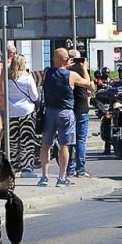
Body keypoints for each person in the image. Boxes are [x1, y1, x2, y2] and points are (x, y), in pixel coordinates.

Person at [38, 47, 92, 187]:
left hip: (49, 112)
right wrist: (83, 67)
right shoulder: (71, 75)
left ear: (53, 59)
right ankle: (61, 178)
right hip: (66, 113)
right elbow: (87, 83)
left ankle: (44, 176)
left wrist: (63, 64)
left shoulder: (47, 72)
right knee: (64, 145)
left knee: (46, 145)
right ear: (67, 59)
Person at [4, 52, 41, 175]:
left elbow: (5, 95)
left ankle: (13, 167)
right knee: (27, 140)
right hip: (27, 111)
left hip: (11, 112)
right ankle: (27, 168)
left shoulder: (7, 79)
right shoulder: (27, 78)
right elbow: (35, 96)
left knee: (13, 141)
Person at [68, 55, 93, 178]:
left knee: (70, 140)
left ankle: (71, 169)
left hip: (74, 108)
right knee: (79, 140)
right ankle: (79, 170)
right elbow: (89, 85)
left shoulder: (65, 71)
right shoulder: (70, 72)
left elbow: (92, 87)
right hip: (78, 108)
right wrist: (84, 69)